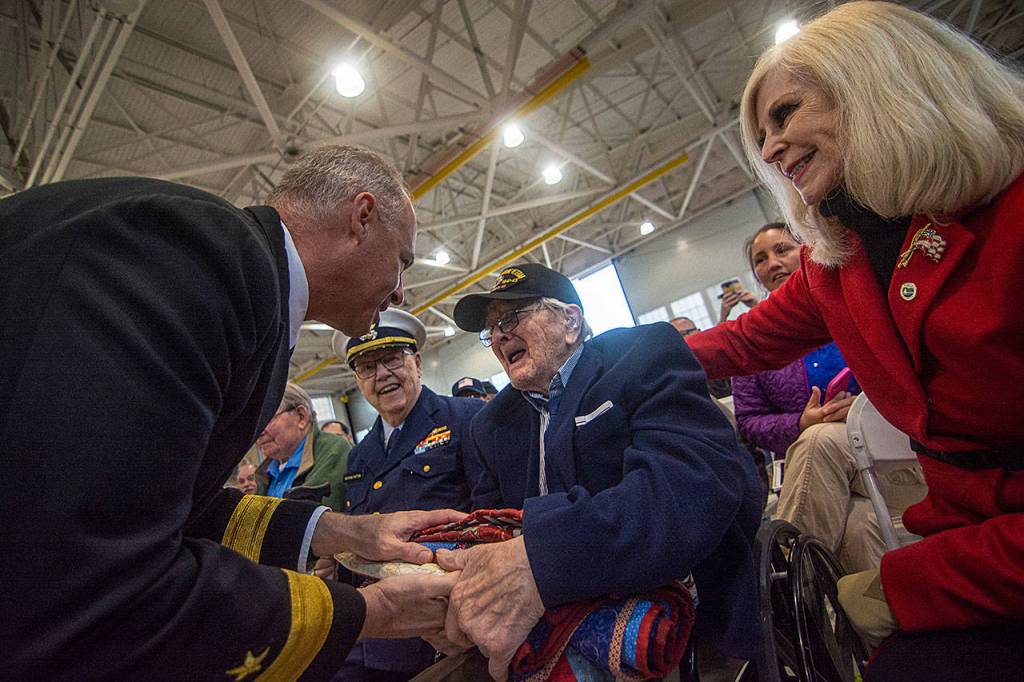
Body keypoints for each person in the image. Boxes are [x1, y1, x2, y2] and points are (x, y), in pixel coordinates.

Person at [0, 144, 461, 679]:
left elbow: (159, 507)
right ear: (361, 218)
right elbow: (96, 573)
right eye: (401, 261)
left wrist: (343, 532)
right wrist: (369, 612)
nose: (400, 288)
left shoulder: (238, 273)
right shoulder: (202, 257)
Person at [685, 3, 1024, 677]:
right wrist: (605, 357)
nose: (772, 147)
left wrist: (909, 586)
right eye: (763, 135)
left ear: (875, 80)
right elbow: (743, 343)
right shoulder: (839, 262)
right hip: (963, 547)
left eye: (786, 113)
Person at [437, 263, 762, 681]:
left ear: (570, 321)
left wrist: (543, 557)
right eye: (492, 328)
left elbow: (686, 491)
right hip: (539, 620)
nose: (498, 335)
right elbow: (491, 529)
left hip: (668, 602)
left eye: (512, 317)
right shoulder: (489, 424)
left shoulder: (642, 354)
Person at [732, 223, 926, 572]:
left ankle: (782, 581)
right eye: (760, 259)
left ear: (807, 249)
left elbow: (911, 373)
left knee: (820, 440)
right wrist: (799, 422)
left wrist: (870, 405)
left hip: (894, 456)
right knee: (858, 528)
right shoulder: (757, 338)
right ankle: (881, 626)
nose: (772, 263)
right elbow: (749, 422)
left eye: (782, 250)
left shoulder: (857, 301)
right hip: (822, 476)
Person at [330, 310, 485, 682]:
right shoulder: (359, 455)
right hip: (377, 630)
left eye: (391, 359)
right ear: (358, 380)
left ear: (416, 363)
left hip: (444, 627)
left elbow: (492, 519)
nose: (382, 374)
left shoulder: (467, 419)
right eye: (367, 366)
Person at [255, 382, 352, 511]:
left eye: (267, 419)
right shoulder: (267, 473)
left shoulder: (334, 452)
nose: (259, 432)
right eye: (254, 425)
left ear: (302, 416)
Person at [670, 316, 733, 399]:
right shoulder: (676, 373)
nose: (685, 338)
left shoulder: (719, 355)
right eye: (678, 336)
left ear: (699, 331)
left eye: (687, 332)